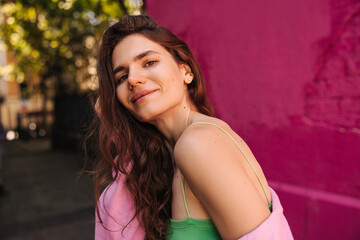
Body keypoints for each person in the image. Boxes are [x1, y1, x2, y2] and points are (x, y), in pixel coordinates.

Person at [92, 15, 293, 240]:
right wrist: (113, 120)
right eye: (121, 76)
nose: (133, 79)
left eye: (149, 62)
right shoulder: (173, 150)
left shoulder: (198, 144)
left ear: (186, 71)